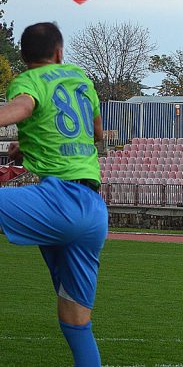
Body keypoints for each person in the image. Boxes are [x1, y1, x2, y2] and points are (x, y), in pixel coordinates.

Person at [0, 22, 108, 367]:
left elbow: (23, 107)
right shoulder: (80, 80)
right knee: (77, 322)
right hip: (93, 211)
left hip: (60, 202)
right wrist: (29, 146)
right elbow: (95, 134)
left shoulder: (27, 81)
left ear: (22, 55)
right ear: (59, 53)